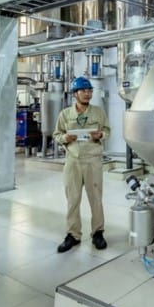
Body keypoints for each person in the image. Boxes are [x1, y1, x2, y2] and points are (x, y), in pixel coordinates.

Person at [52, 76, 111, 252]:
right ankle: (73, 235)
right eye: (84, 91)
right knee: (72, 199)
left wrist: (100, 135)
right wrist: (65, 137)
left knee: (96, 199)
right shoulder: (65, 114)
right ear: (75, 94)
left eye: (90, 90)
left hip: (93, 160)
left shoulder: (98, 113)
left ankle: (98, 233)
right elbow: (56, 134)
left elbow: (107, 130)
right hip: (73, 161)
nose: (88, 94)